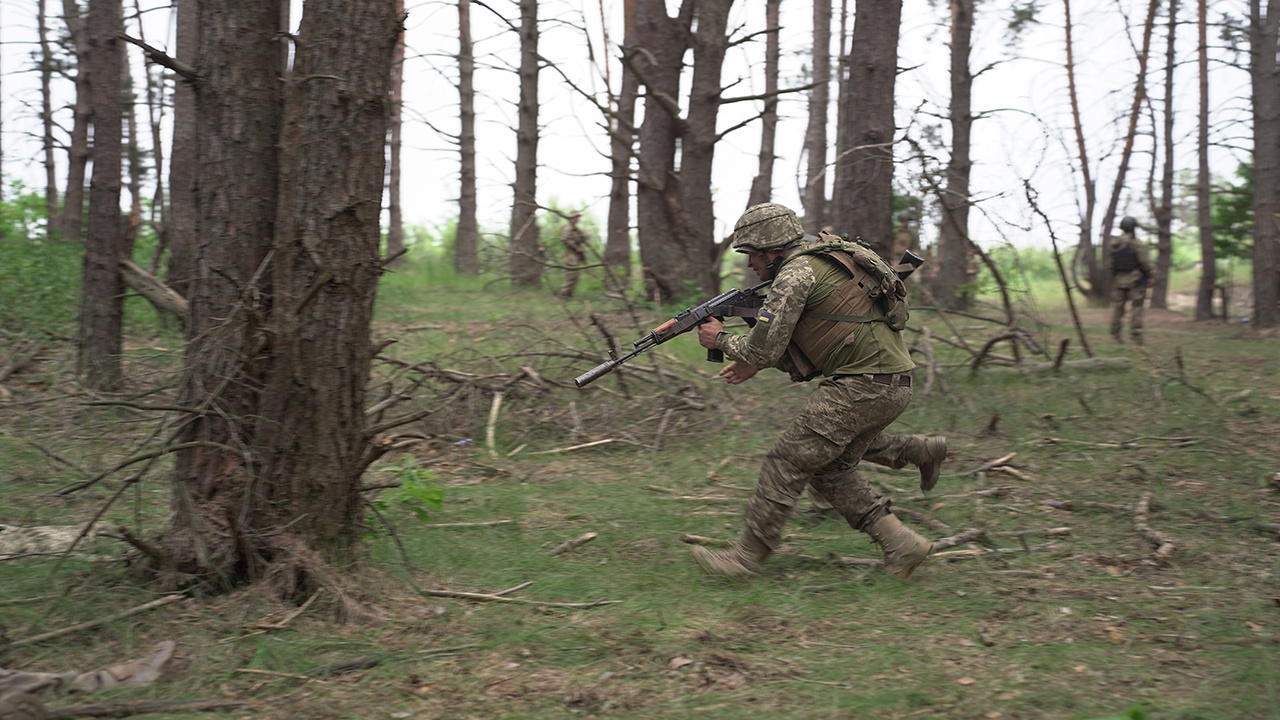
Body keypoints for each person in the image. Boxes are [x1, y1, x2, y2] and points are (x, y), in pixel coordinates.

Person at [690, 202, 934, 579]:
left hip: (860, 386)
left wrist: (719, 339)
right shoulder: (829, 257)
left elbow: (762, 349)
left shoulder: (795, 273)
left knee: (786, 460)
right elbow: (816, 332)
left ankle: (745, 559)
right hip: (893, 382)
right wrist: (754, 357)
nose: (750, 264)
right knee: (828, 469)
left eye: (752, 254)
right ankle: (902, 544)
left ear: (771, 250)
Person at [1109, 216, 1153, 345]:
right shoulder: (1136, 244)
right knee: (1137, 307)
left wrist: (1115, 277)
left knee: (1118, 308)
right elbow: (1144, 262)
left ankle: (1115, 333)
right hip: (1135, 280)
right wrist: (1149, 275)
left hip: (1119, 280)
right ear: (1133, 228)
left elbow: (1110, 264)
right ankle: (1136, 336)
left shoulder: (1114, 244)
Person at [557, 211, 589, 299]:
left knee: (575, 276)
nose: (578, 219)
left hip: (575, 255)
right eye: (576, 217)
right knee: (571, 276)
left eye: (578, 217)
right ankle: (563, 295)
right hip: (570, 255)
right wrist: (576, 247)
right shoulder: (568, 227)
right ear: (572, 218)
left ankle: (569, 295)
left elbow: (583, 238)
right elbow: (565, 239)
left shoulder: (575, 229)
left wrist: (583, 238)